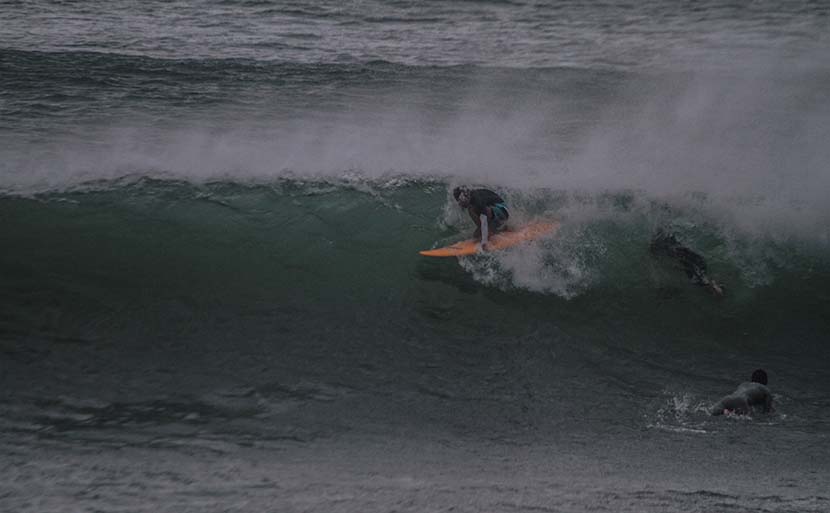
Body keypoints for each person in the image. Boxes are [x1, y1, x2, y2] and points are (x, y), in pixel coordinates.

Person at [649, 229, 723, 296]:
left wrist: (678, 267)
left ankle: (662, 235)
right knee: (674, 247)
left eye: (714, 290)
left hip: (690, 260)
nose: (714, 287)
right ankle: (661, 237)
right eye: (716, 289)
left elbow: (690, 268)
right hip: (693, 260)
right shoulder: (703, 281)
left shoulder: (699, 282)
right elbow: (691, 268)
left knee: (674, 247)